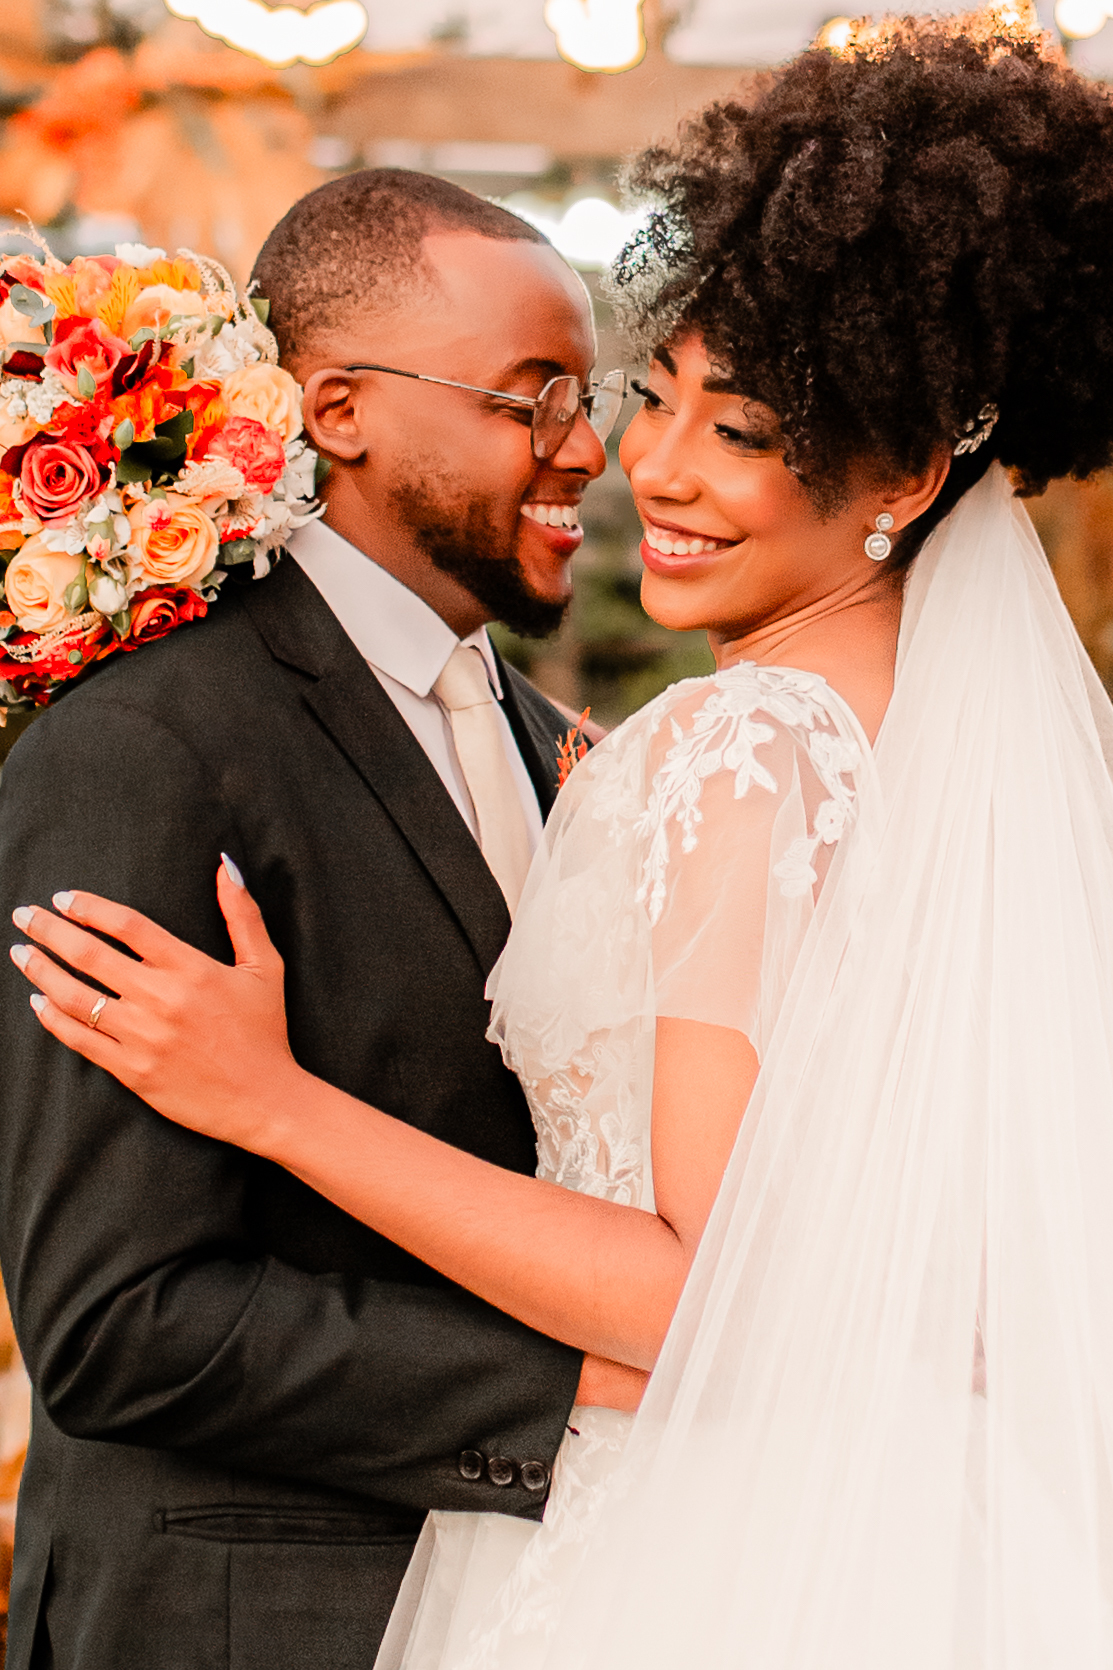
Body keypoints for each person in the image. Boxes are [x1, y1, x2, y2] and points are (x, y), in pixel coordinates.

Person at [14, 13, 1113, 1666]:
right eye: (632, 397)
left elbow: (712, 1278)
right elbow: (114, 1320)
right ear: (336, 411)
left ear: (899, 463)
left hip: (681, 1537)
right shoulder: (871, 759)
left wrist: (272, 1102)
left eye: (731, 430)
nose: (632, 465)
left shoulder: (739, 745)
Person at [0, 168, 639, 1670]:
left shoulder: (560, 749)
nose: (586, 448)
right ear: (338, 408)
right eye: (533, 397)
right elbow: (116, 1317)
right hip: (249, 1618)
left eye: (585, 394)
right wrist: (579, 1390)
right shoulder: (145, 743)